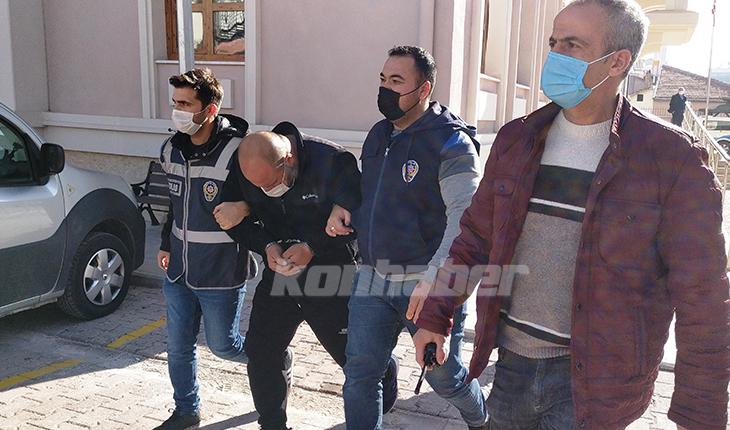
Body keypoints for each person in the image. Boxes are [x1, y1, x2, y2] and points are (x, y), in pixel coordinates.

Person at [411, 1, 730, 429]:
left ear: (617, 61)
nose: (555, 55)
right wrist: (436, 314)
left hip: (598, 384)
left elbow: (703, 295)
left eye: (573, 45)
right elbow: (475, 239)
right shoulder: (518, 139)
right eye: (553, 42)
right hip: (511, 368)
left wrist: (699, 414)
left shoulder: (671, 159)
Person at [333, 46, 488, 430]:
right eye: (383, 80)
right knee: (360, 374)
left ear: (424, 89)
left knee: (443, 376)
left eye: (397, 81)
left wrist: (436, 278)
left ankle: (483, 418)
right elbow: (369, 191)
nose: (385, 89)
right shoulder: (379, 133)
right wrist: (343, 205)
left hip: (425, 282)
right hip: (371, 276)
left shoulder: (451, 143)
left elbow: (465, 216)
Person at [223, 125, 399, 430]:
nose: (266, 191)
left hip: (331, 273)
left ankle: (385, 373)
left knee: (353, 358)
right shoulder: (244, 167)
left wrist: (312, 247)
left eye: (271, 183)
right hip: (280, 273)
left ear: (288, 159)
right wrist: (266, 245)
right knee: (261, 351)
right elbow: (228, 218)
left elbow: (361, 218)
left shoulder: (331, 161)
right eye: (257, 187)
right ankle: (272, 424)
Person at [155, 68, 255, 430]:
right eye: (175, 102)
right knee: (178, 347)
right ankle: (187, 410)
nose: (177, 111)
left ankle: (273, 358)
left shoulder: (239, 151)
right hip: (179, 272)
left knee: (224, 346)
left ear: (210, 110)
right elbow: (174, 203)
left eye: (185, 104)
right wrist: (166, 244)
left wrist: (245, 207)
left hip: (220, 272)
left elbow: (267, 200)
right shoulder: (170, 149)